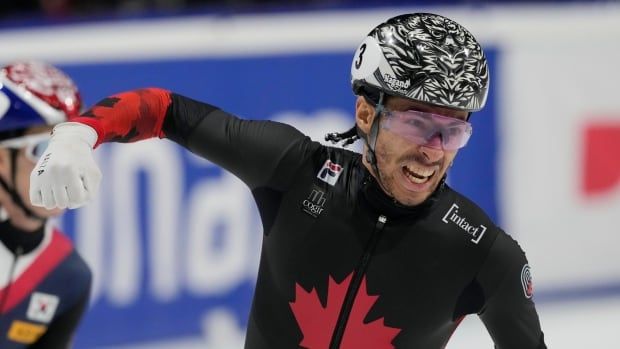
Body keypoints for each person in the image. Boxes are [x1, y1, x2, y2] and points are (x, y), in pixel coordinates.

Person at [29, 13, 546, 348]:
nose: (433, 151)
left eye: (452, 131)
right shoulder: (295, 171)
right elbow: (165, 110)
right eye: (416, 123)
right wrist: (80, 133)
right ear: (366, 115)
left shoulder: (485, 254)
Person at [0, 61, 92, 348]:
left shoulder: (67, 275)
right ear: (1, 160)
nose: (62, 166)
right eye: (43, 149)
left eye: (70, 148)